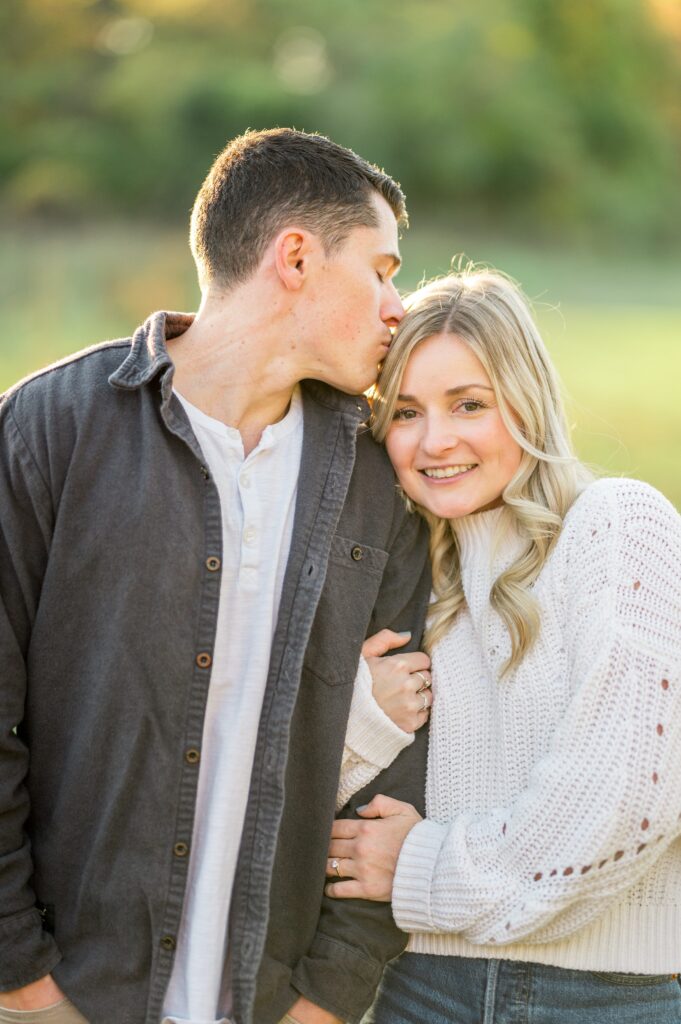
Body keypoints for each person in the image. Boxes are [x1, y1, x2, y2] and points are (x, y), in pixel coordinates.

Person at [0, 128, 434, 1024]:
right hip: (72, 995)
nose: (399, 305)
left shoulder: (376, 483)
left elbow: (399, 775)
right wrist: (26, 989)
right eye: (381, 269)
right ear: (298, 257)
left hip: (273, 1003)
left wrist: (326, 997)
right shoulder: (49, 431)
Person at [326, 268, 681, 1022]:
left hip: (602, 999)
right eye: (406, 412)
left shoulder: (619, 527)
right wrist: (362, 718)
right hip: (414, 989)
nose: (435, 441)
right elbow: (300, 815)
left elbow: (623, 805)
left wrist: (421, 866)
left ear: (526, 402)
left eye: (469, 405)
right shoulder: (396, 578)